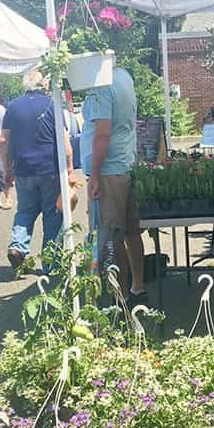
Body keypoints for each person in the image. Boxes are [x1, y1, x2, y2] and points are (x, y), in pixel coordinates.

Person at [80, 67, 145, 302]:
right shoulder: (124, 76)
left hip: (108, 171)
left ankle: (120, 301)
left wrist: (94, 174)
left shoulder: (102, 86)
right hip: (124, 164)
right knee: (131, 232)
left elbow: (103, 133)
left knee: (110, 239)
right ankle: (137, 287)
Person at [1, 70, 74, 272]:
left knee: (25, 210)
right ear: (44, 85)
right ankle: (50, 263)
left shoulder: (13, 106)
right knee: (52, 214)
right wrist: (69, 168)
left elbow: (4, 140)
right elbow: (65, 141)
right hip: (50, 167)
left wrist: (7, 168)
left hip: (24, 168)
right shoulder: (52, 105)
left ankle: (18, 246)